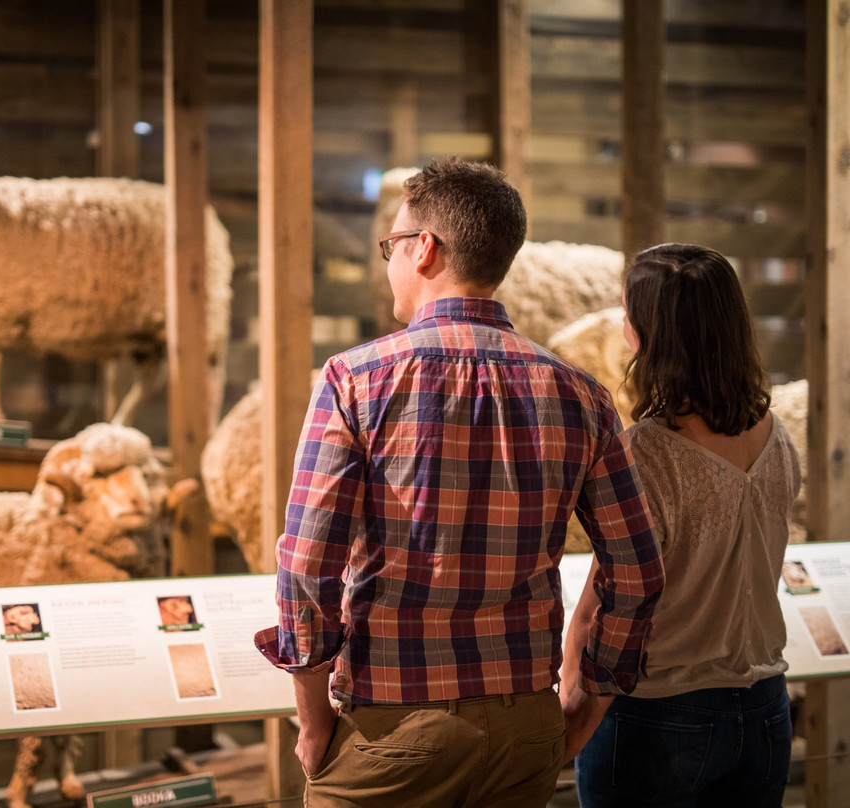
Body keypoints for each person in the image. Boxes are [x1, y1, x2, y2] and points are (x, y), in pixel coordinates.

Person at [254, 156, 665, 808]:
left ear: (424, 249)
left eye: (390, 244)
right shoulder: (584, 396)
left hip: (391, 724)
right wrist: (588, 703)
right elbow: (640, 570)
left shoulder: (354, 380)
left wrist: (312, 721)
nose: (388, 260)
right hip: (525, 725)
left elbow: (306, 567)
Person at [560, 243, 802, 807]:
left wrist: (573, 694)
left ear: (649, 331)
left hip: (660, 713)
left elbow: (607, 596)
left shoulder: (646, 453)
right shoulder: (778, 437)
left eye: (627, 314)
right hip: (765, 708)